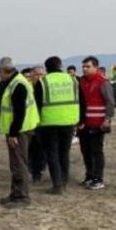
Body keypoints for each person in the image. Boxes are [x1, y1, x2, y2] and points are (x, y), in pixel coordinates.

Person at [0, 57, 40, 208]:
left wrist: (13, 133)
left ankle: (22, 197)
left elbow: (19, 112)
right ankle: (15, 194)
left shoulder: (17, 85)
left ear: (3, 71)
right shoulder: (17, 81)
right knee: (15, 164)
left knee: (19, 164)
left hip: (19, 131)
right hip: (20, 129)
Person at [35, 56, 80, 194]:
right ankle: (64, 181)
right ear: (60, 66)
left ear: (46, 68)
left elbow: (37, 104)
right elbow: (81, 100)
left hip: (48, 123)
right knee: (64, 153)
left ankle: (57, 185)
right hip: (68, 122)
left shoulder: (43, 81)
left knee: (52, 154)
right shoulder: (72, 80)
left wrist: (36, 123)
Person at [77, 56, 115, 190]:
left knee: (96, 151)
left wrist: (107, 119)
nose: (84, 69)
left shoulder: (103, 82)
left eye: (88, 66)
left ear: (96, 67)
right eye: (83, 67)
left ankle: (98, 179)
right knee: (85, 151)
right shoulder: (81, 82)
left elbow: (110, 102)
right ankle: (89, 176)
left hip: (98, 123)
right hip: (84, 123)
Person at [26, 66, 48, 183]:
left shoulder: (46, 87)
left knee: (41, 149)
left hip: (43, 123)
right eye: (37, 75)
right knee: (31, 148)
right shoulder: (26, 87)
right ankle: (33, 170)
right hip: (29, 123)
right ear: (31, 75)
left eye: (41, 75)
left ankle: (38, 171)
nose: (39, 77)